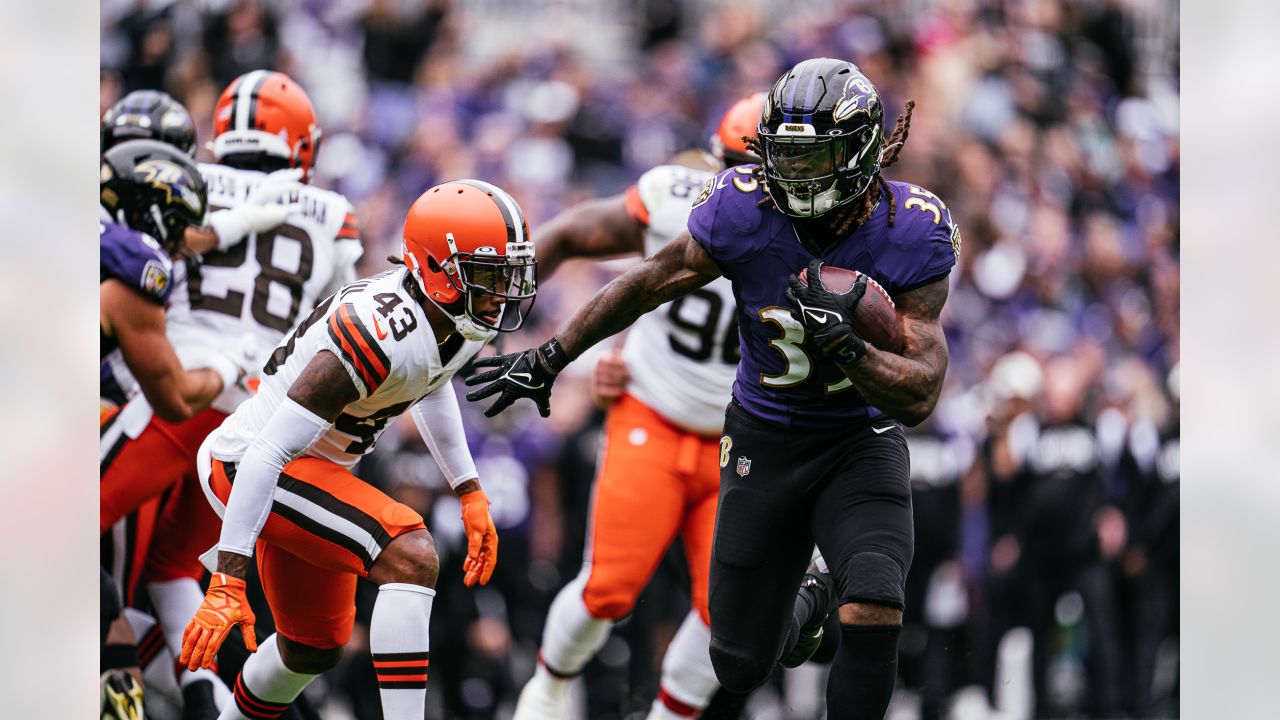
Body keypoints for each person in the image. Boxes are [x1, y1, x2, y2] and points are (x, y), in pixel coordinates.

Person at [465, 58, 960, 719]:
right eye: (779, 155)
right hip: (754, 433)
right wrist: (552, 356)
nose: (790, 175)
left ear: (861, 151)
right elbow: (644, 281)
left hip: (855, 437)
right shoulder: (735, 204)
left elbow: (921, 393)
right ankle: (804, 599)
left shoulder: (913, 229)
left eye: (814, 159)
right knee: (737, 658)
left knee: (875, 606)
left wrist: (847, 346)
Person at [178, 179, 534, 720]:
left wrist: (468, 488)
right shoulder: (375, 329)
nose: (499, 293)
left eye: (506, 275)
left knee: (312, 649)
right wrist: (228, 579)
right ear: (438, 268)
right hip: (251, 464)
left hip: (308, 470)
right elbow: (268, 453)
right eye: (487, 275)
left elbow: (431, 381)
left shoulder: (453, 317)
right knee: (411, 554)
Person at [99, 71, 363, 717]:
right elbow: (345, 315)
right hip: (255, 419)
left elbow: (158, 250)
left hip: (166, 389)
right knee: (169, 572)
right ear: (303, 144)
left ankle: (114, 680)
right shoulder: (333, 214)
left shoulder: (180, 176)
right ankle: (206, 702)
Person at [513, 94, 778, 720]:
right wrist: (504, 318)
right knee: (608, 588)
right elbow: (571, 233)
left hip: (741, 444)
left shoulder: (822, 236)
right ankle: (548, 689)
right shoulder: (673, 196)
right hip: (653, 415)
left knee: (727, 613)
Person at [99, 137, 229, 720]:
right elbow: (175, 398)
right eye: (176, 229)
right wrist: (229, 367)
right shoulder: (135, 269)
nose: (179, 248)